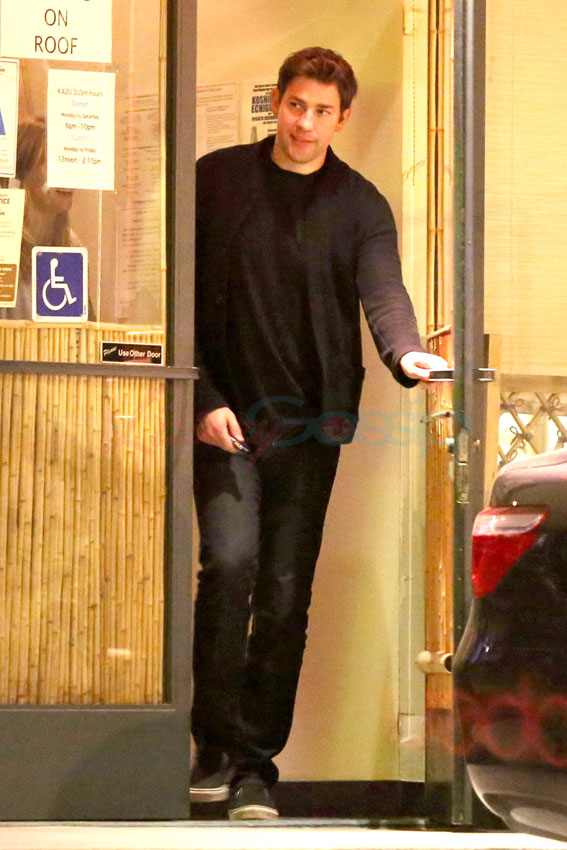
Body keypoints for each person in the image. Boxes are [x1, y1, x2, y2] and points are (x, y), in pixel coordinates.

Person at [191, 47, 447, 820]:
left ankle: (254, 767)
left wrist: (405, 352)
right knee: (229, 564)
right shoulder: (217, 180)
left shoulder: (360, 205)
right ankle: (213, 742)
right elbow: (179, 297)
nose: (305, 123)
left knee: (282, 592)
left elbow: (383, 291)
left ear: (343, 118)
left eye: (322, 112)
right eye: (296, 105)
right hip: (226, 418)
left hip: (310, 426)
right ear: (277, 101)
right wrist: (202, 397)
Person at [0, 117, 80, 319]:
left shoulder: (71, 245)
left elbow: (80, 329)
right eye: (53, 164)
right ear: (22, 174)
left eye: (69, 162)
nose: (66, 175)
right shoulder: (4, 243)